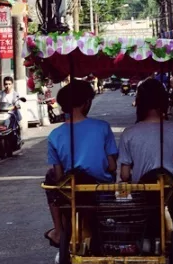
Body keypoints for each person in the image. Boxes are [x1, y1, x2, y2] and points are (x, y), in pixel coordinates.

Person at [118, 78, 173, 261]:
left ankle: (144, 241)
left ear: (139, 102)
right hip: (171, 192)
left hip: (143, 194)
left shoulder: (129, 133)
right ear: (164, 101)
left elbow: (124, 175)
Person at [43, 79, 118, 248]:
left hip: (72, 196)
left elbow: (60, 174)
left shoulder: (55, 135)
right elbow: (112, 166)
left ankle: (58, 231)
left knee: (50, 179)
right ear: (86, 103)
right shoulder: (102, 127)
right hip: (101, 193)